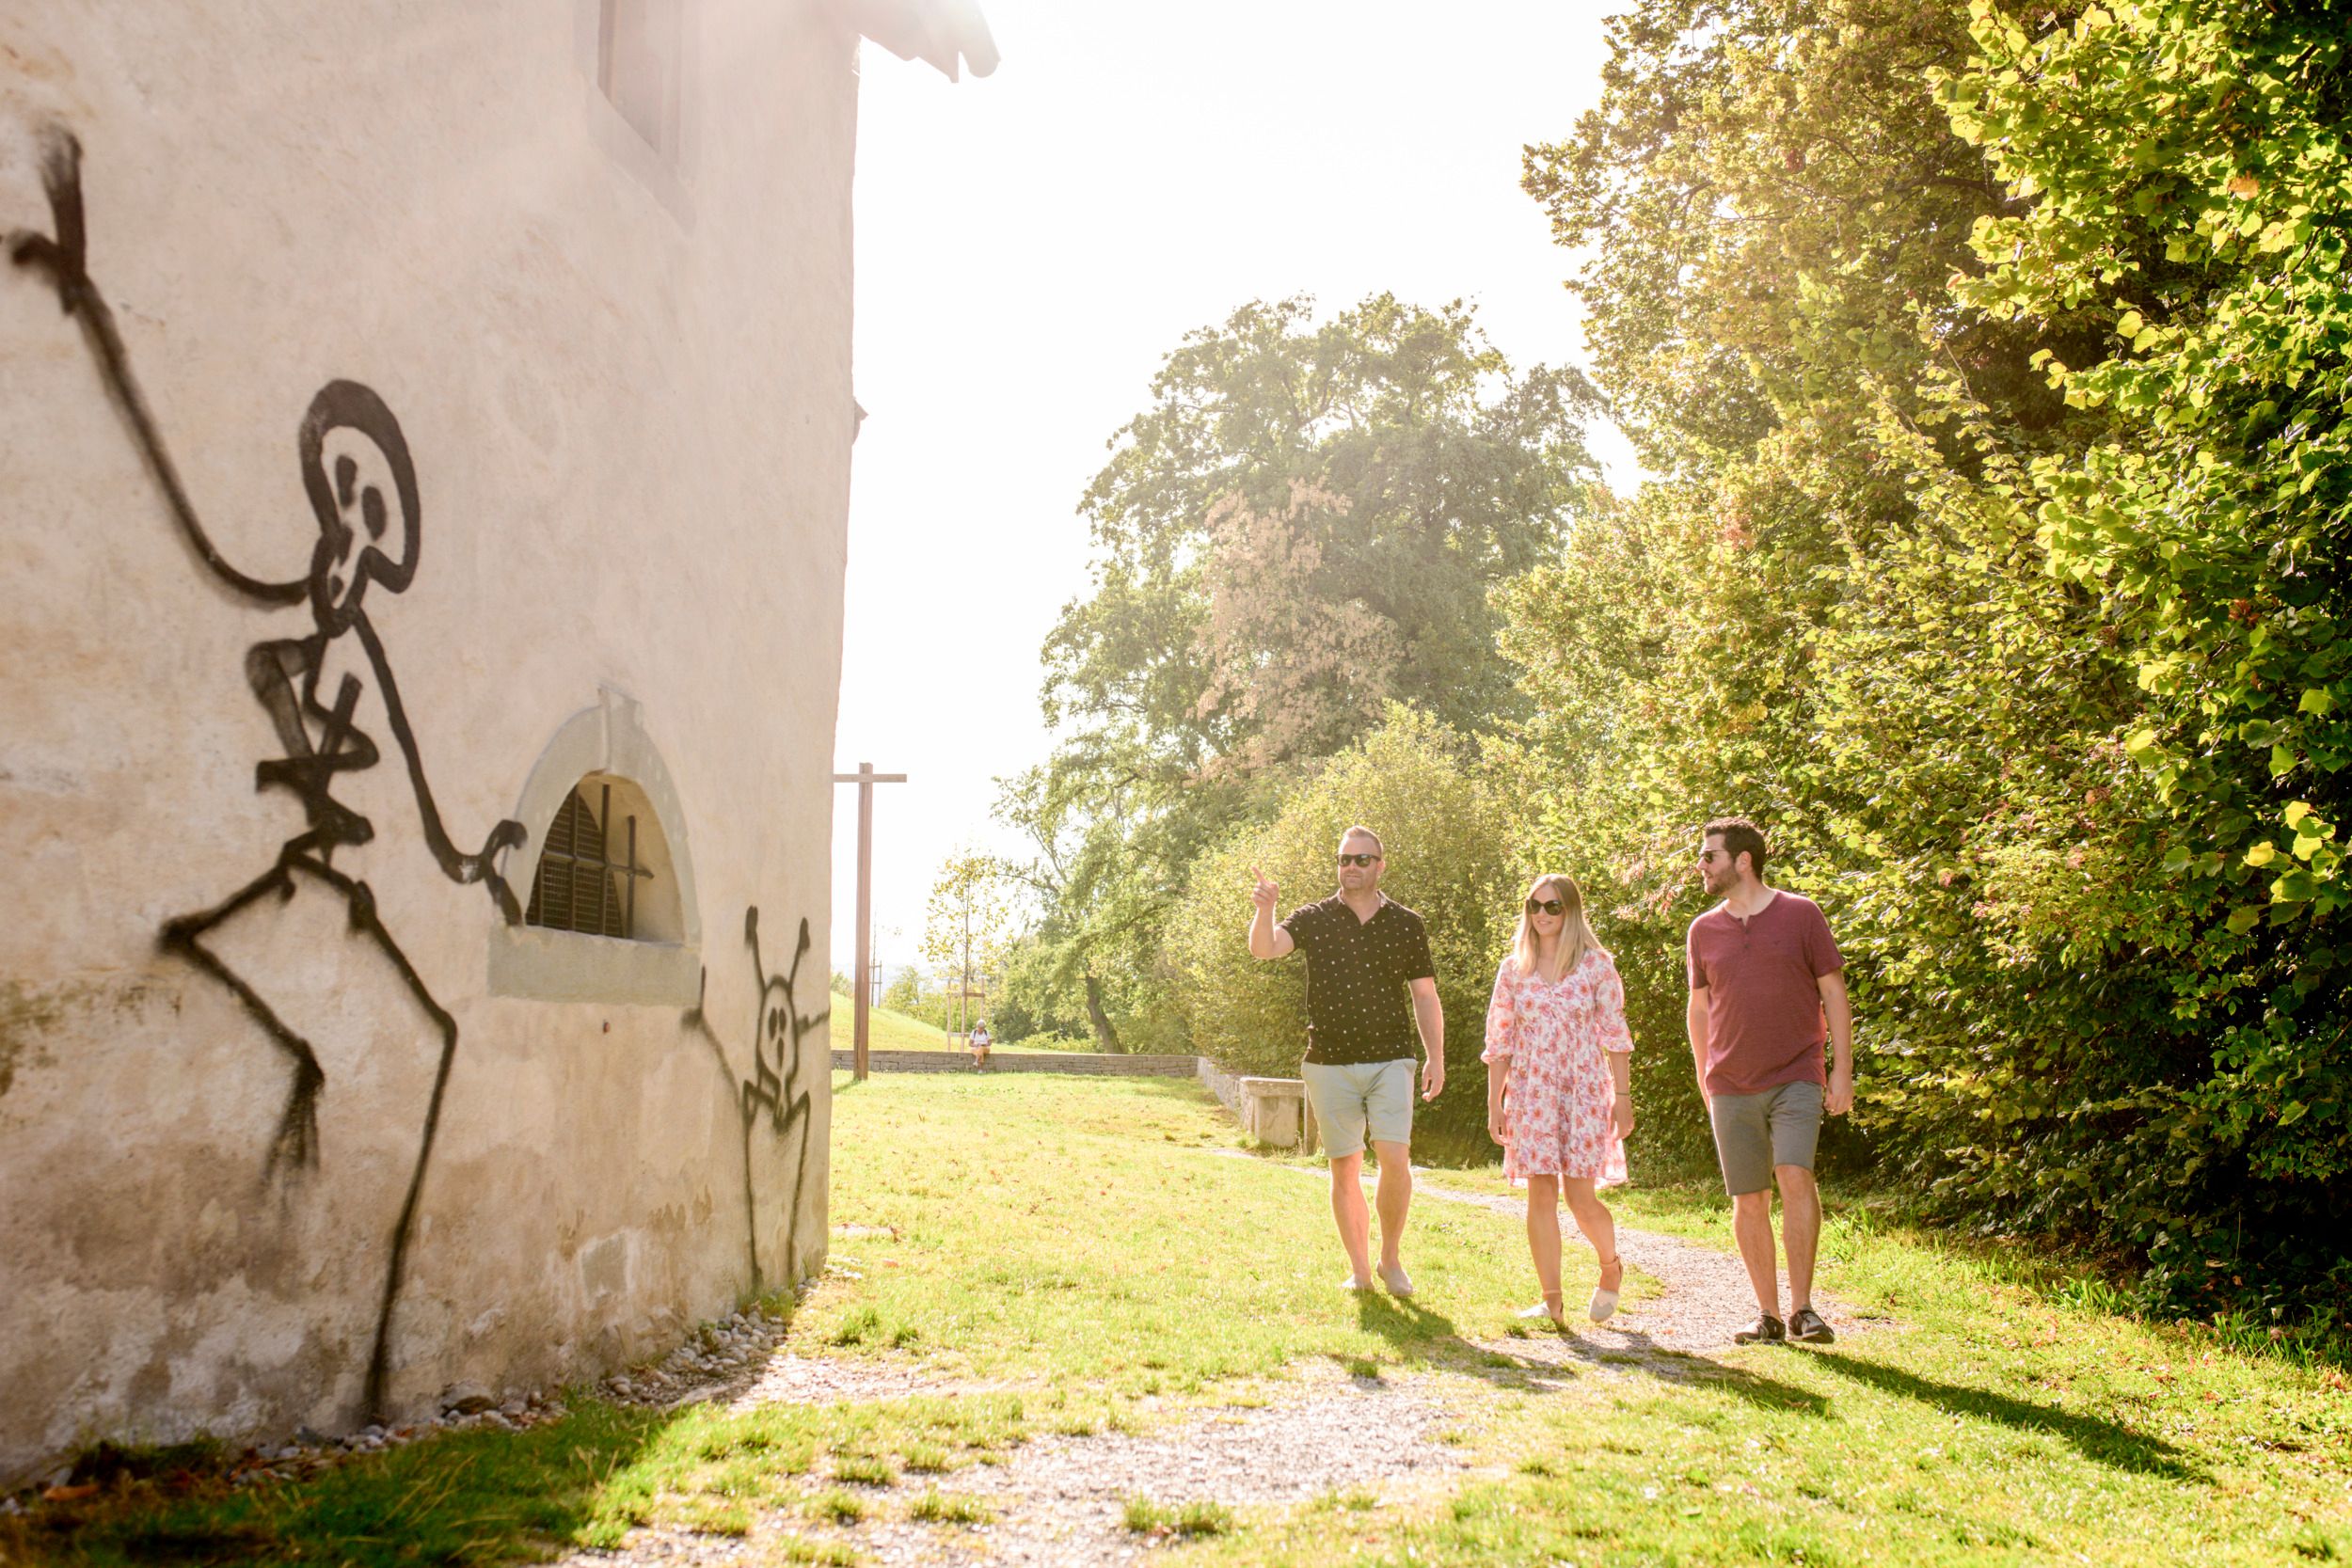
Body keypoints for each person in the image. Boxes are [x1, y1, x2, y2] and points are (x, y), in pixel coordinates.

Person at [1248, 826, 1444, 1295]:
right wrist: (1265, 908)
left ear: (1381, 865)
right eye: (1344, 859)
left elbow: (1424, 995)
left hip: (1391, 1059)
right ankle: (1360, 1271)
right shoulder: (1313, 918)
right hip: (1328, 1061)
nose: (1351, 867)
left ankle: (1390, 1260)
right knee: (1345, 1167)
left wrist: (1435, 1057)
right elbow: (1264, 949)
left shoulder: (1406, 924)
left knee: (1395, 1158)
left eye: (1361, 859)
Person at [1686, 817, 1853, 1345]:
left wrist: (1842, 1070)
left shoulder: (1801, 914)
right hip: (1730, 1082)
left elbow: (1834, 992)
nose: (1701, 865)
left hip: (1796, 1074)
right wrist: (1704, 1075)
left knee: (1794, 1174)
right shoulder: (1702, 930)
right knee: (1749, 1197)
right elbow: (1699, 1008)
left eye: (1709, 856)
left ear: (1743, 860)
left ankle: (1804, 1310)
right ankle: (1768, 1315)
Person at [1484, 874, 1635, 1324]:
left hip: (1583, 1090)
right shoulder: (1514, 969)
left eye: (1552, 906)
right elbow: (1499, 1041)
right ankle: (1552, 1300)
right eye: (1534, 905)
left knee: (1580, 1198)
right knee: (1540, 1193)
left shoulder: (1596, 965)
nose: (1542, 914)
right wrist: (1495, 1103)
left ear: (1571, 911)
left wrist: (1622, 1096)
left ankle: (1610, 1266)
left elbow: (1616, 1034)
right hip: (1531, 1092)